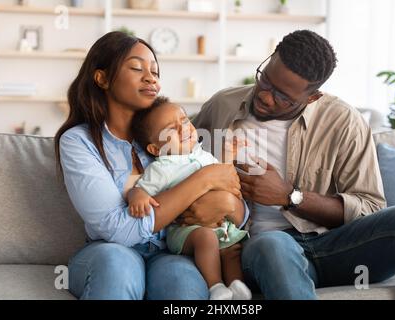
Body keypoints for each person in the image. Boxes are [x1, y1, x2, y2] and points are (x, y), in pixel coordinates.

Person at [192, 29, 395, 299]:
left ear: (312, 97)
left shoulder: (343, 121)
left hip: (336, 247)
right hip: (261, 248)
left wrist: (290, 196)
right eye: (264, 80)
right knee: (273, 244)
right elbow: (177, 157)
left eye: (282, 96)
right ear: (270, 59)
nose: (265, 96)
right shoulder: (222, 106)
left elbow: (370, 209)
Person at [55, 31, 249, 300]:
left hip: (170, 249)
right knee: (117, 268)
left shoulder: (174, 135)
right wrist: (204, 180)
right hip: (110, 250)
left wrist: (229, 204)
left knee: (184, 285)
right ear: (102, 78)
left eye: (155, 71)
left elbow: (230, 194)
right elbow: (117, 229)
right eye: (136, 68)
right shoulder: (79, 142)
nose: (150, 77)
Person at [127, 97, 251, 300]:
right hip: (185, 232)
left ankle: (236, 287)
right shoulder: (162, 167)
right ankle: (215, 286)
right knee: (207, 238)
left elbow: (225, 179)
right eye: (170, 129)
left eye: (184, 121)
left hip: (219, 225)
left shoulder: (204, 156)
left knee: (232, 249)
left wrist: (229, 155)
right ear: (155, 149)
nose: (182, 128)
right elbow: (141, 189)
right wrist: (137, 195)